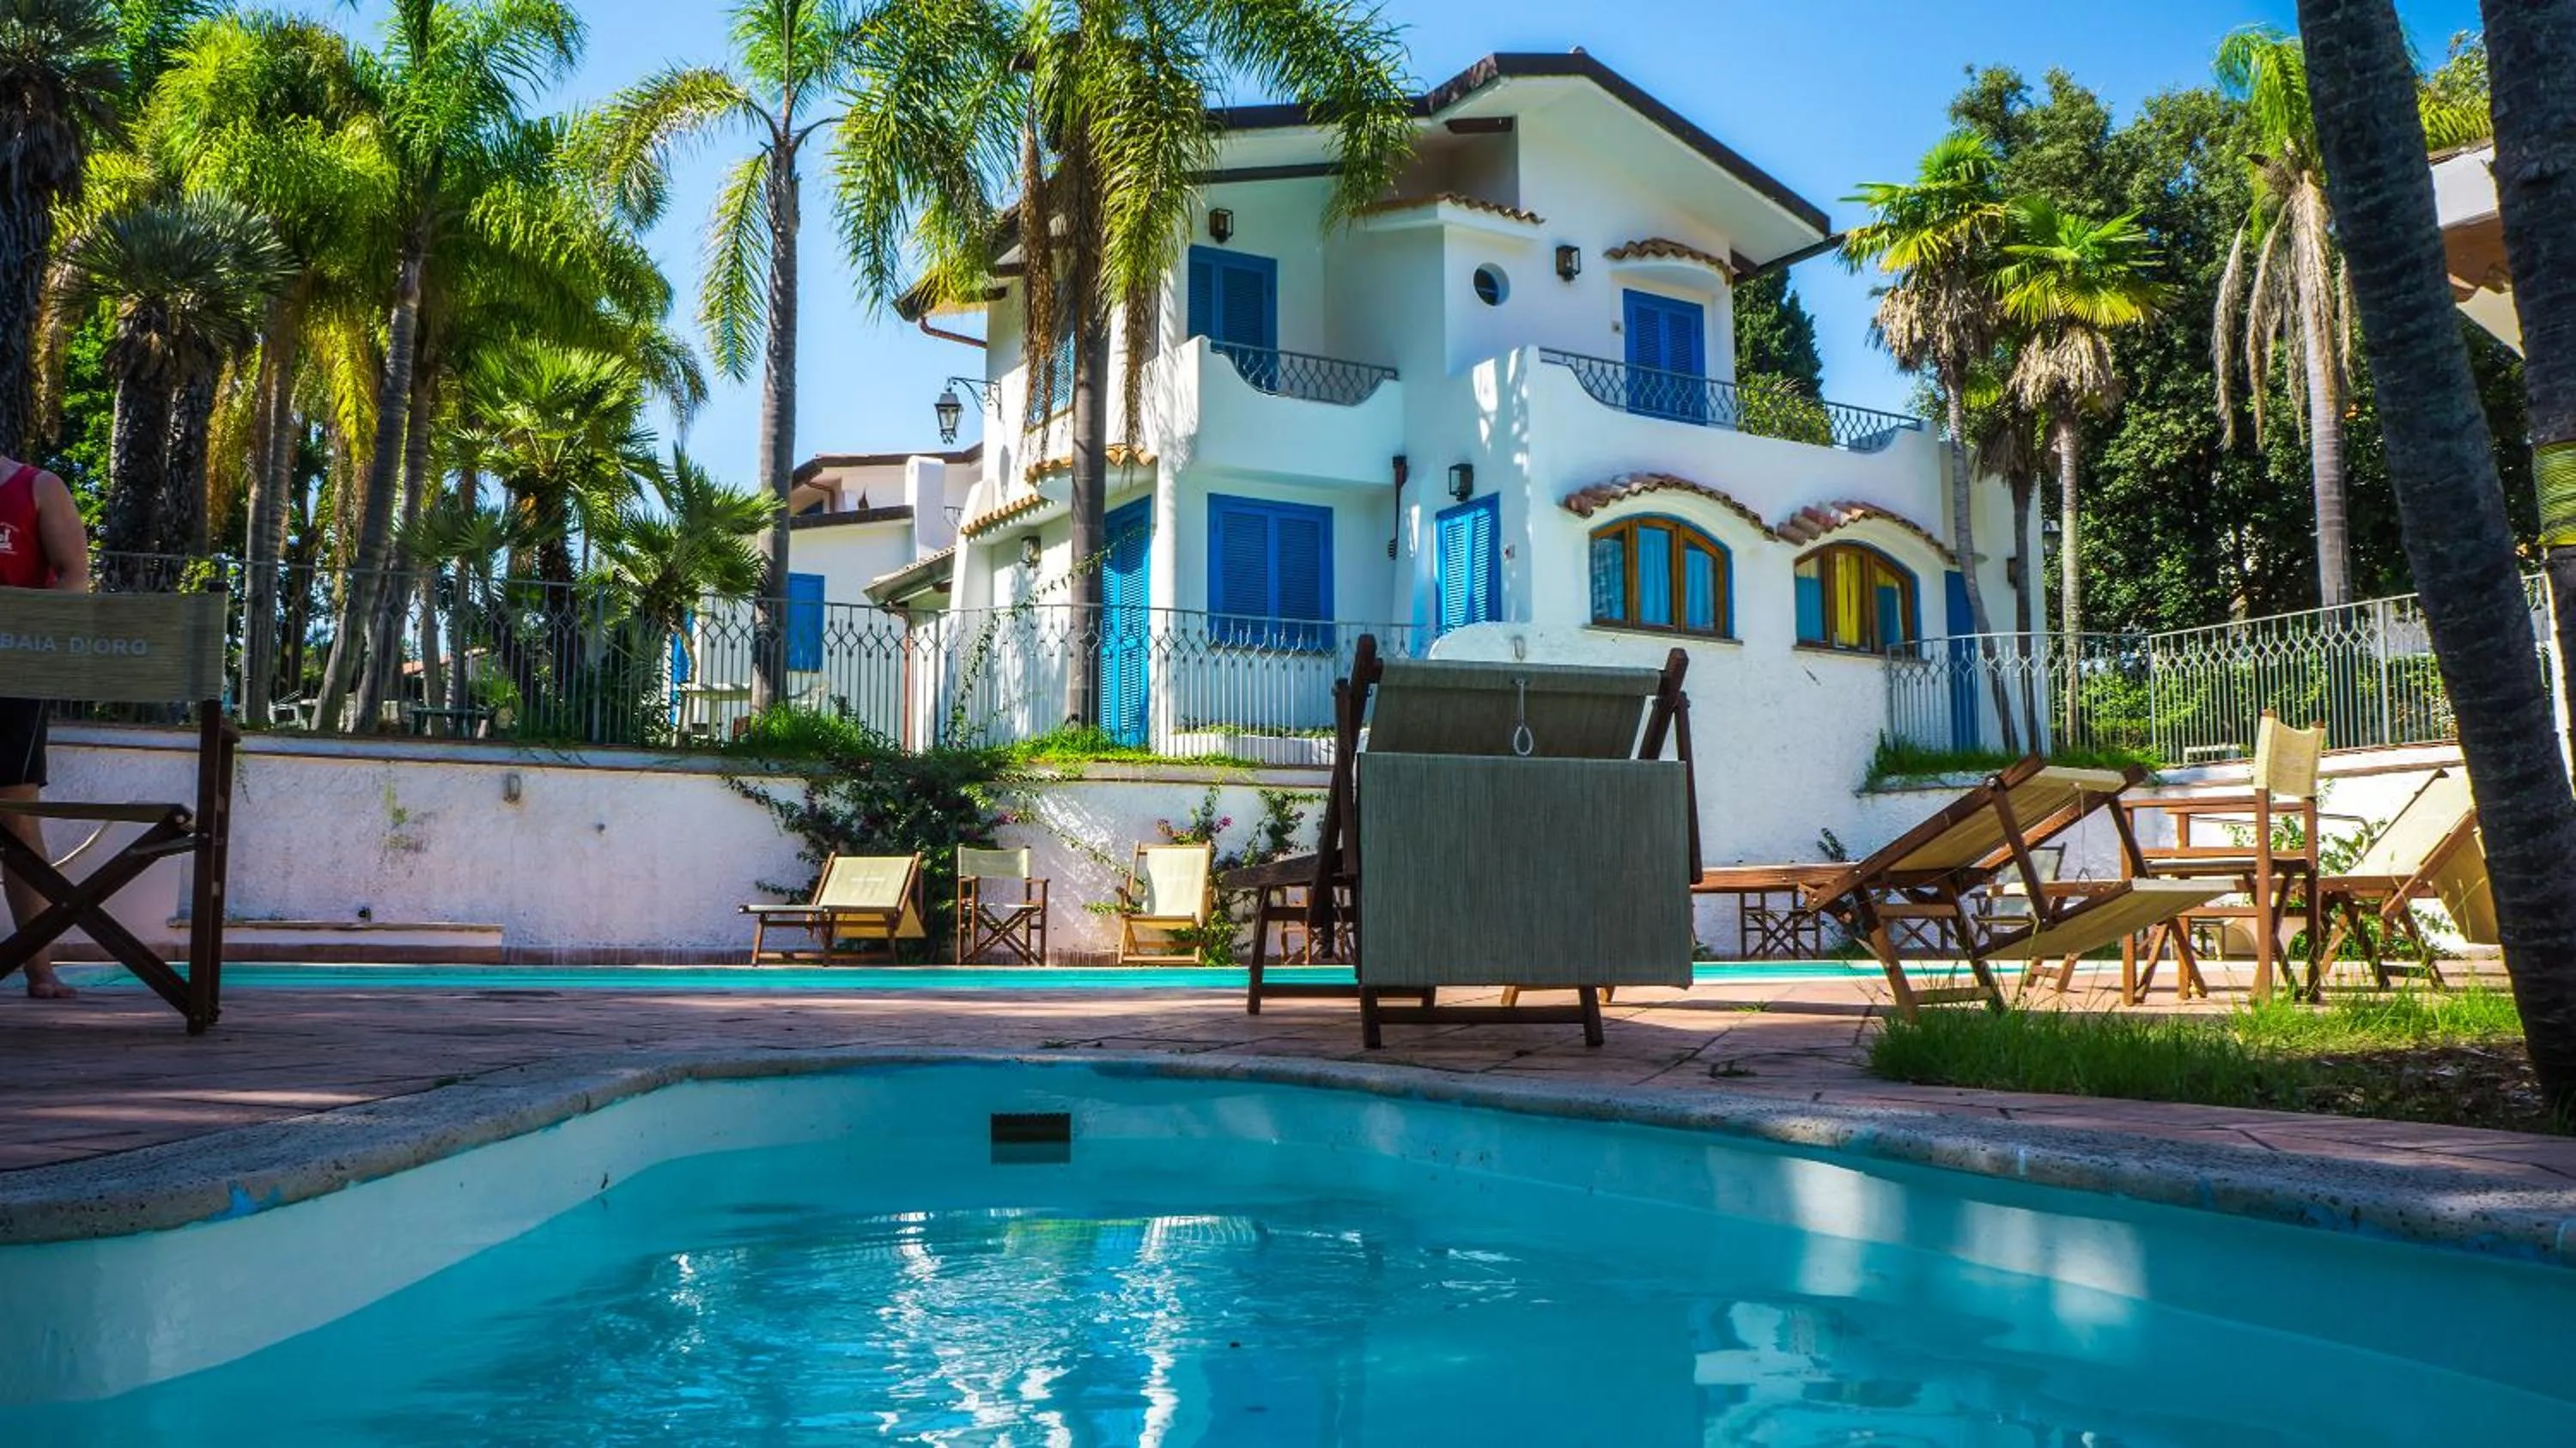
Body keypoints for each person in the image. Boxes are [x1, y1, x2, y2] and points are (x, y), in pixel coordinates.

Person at [0, 453, 90, 999]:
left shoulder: (39, 487)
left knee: (15, 815)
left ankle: (39, 968)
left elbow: (75, 582)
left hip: (13, 677)